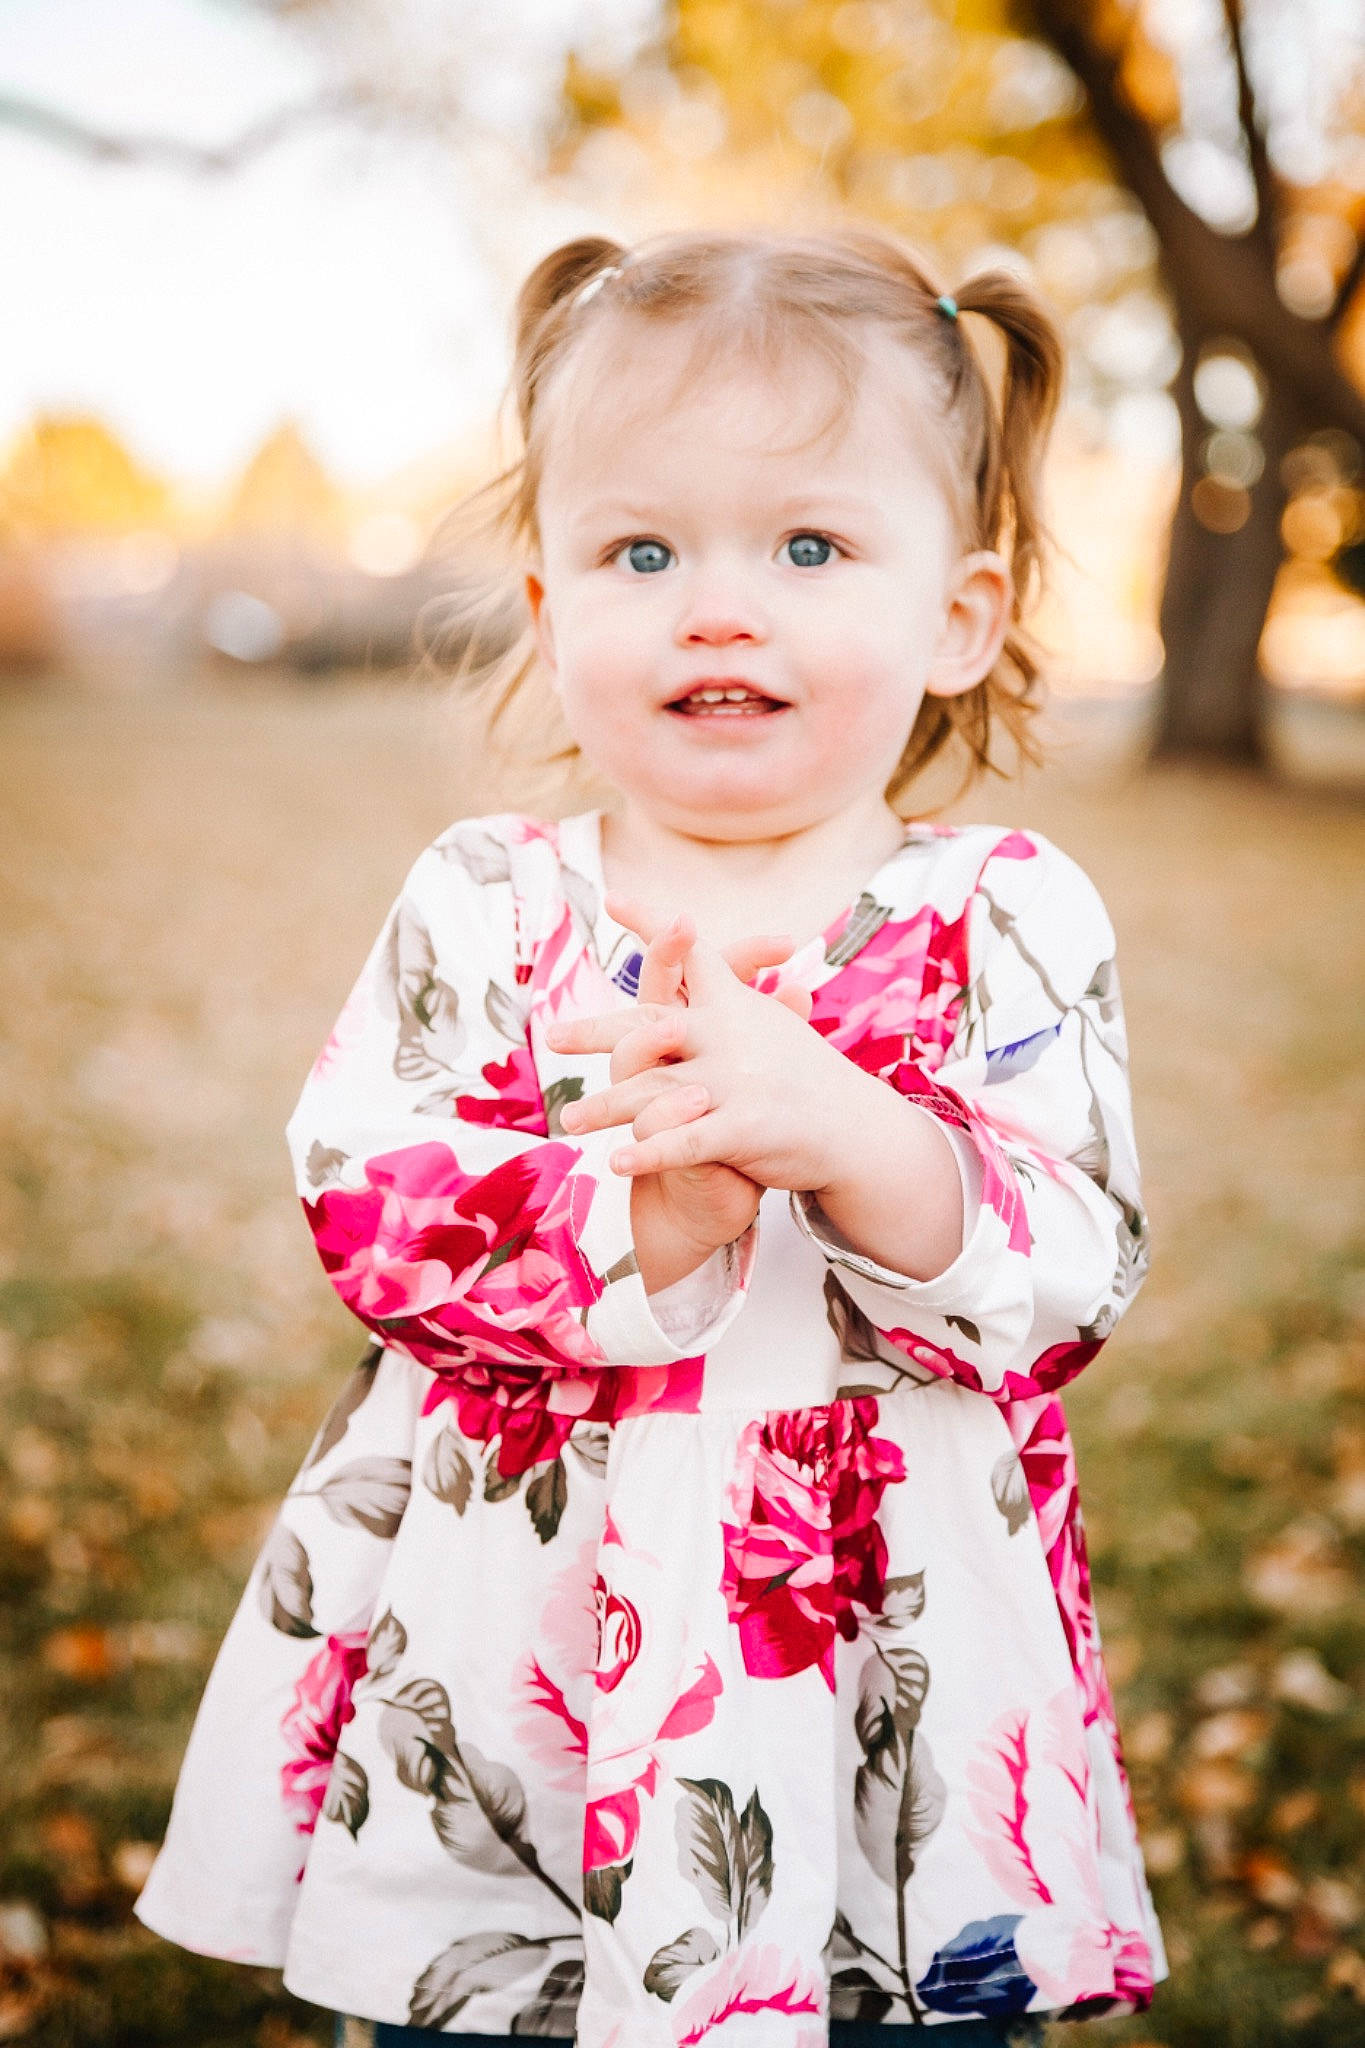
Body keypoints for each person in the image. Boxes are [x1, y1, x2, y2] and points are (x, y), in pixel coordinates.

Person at [135, 230, 1166, 2047]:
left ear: (961, 614)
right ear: (547, 607)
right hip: (517, 1651)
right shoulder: (481, 901)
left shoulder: (1005, 911)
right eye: (640, 551)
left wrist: (847, 1128)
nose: (717, 606)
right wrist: (655, 1214)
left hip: (876, 1664)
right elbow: (372, 1207)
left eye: (808, 547)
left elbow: (1071, 1267)